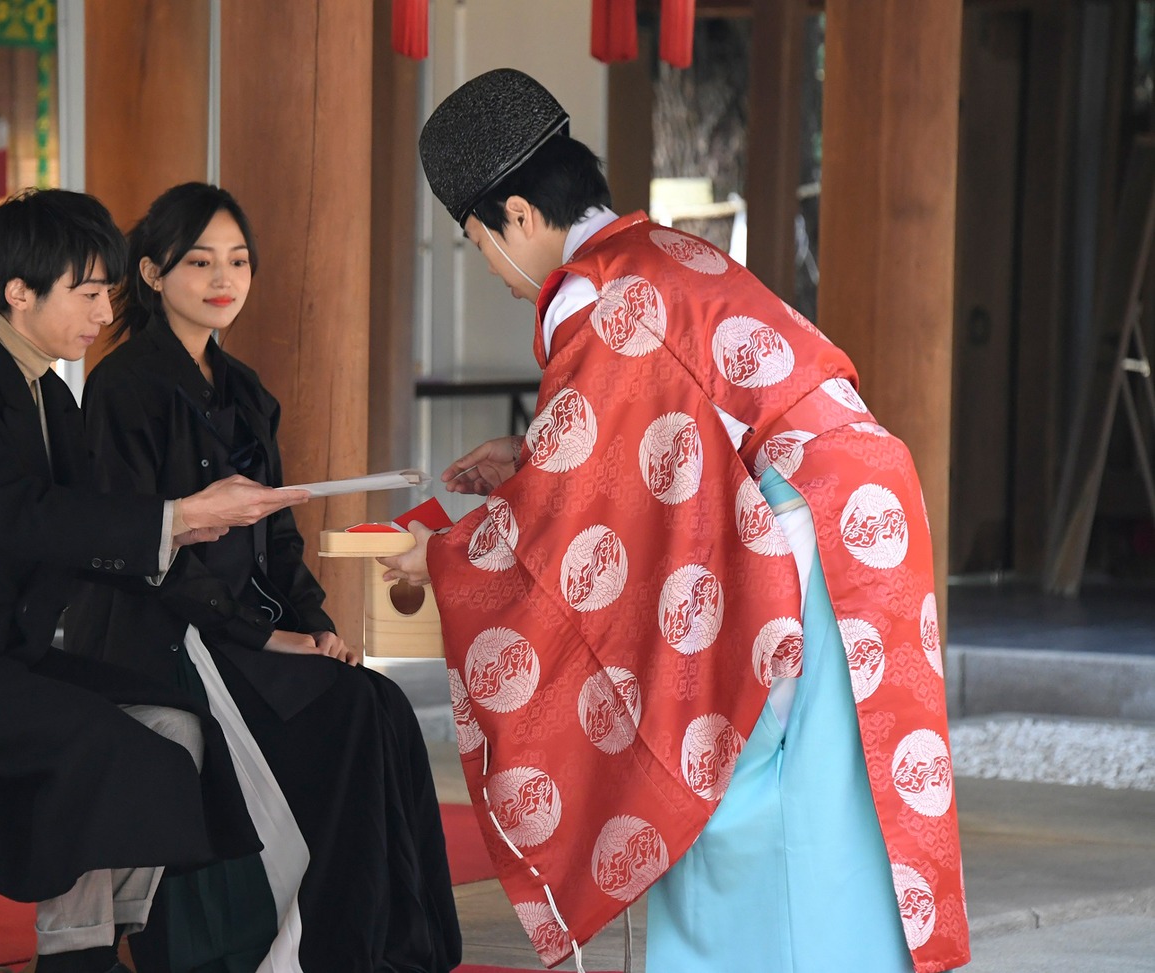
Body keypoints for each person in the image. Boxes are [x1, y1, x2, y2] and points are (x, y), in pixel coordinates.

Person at [381, 68, 971, 973]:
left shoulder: (592, 294)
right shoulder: (658, 253)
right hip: (862, 507)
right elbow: (642, 446)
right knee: (843, 802)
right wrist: (531, 450)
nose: (490, 269)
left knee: (723, 792)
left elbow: (573, 515)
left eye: (475, 240)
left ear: (519, 216)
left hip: (791, 536)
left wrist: (448, 554)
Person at [0, 188, 312, 973]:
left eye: (107, 293)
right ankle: (72, 954)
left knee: (178, 724)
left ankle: (101, 938)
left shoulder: (50, 392)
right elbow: (26, 517)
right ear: (19, 291)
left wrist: (203, 527)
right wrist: (179, 516)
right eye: (86, 293)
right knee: (101, 743)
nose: (101, 313)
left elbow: (93, 524)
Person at [65, 182, 462, 973]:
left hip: (247, 632)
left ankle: (396, 944)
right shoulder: (124, 388)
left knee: (378, 703)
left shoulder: (244, 389)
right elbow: (142, 548)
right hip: (168, 634)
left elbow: (280, 529)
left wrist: (316, 627)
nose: (225, 279)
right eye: (201, 261)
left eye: (239, 261)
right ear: (151, 273)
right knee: (346, 716)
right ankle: (322, 948)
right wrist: (265, 634)